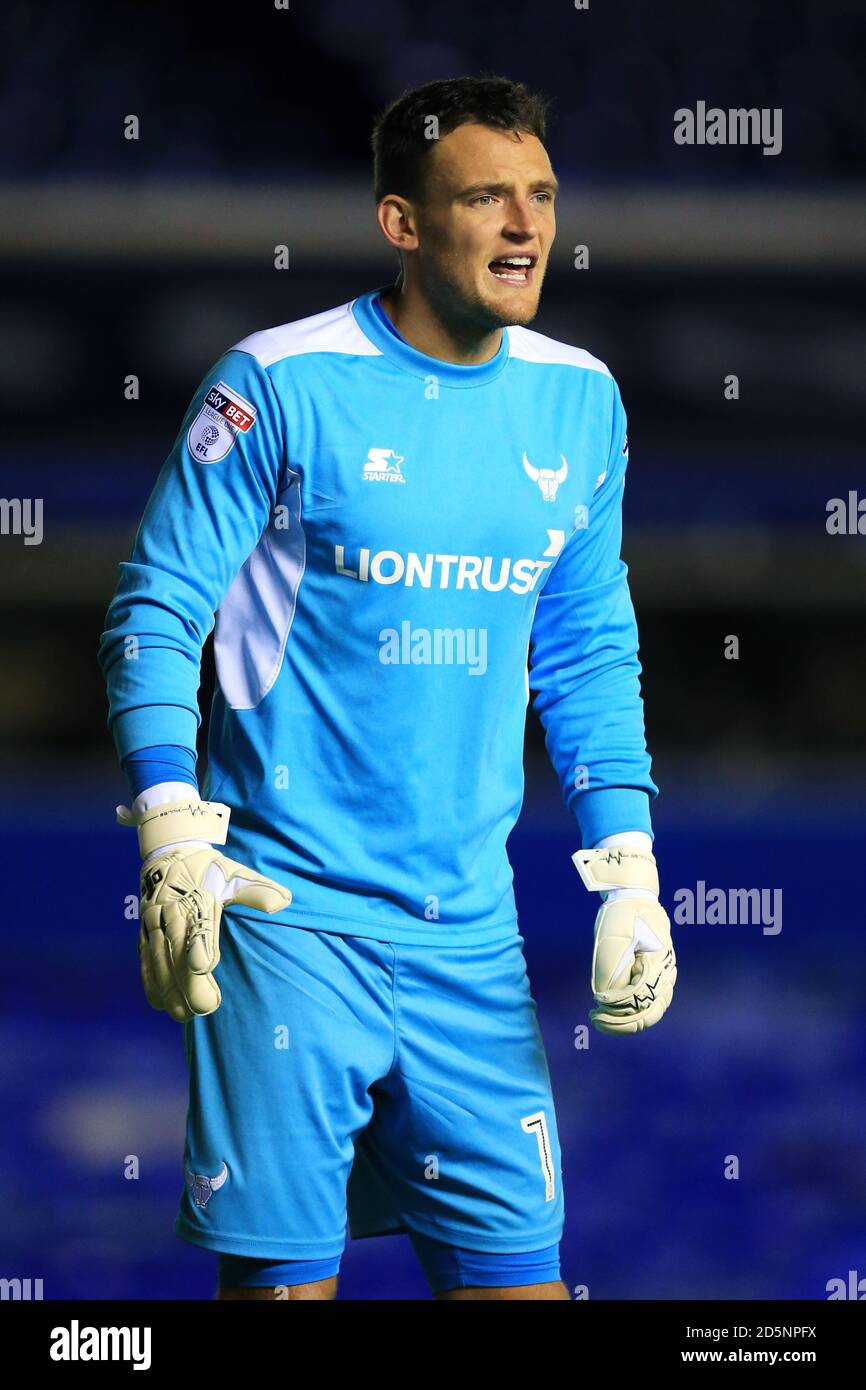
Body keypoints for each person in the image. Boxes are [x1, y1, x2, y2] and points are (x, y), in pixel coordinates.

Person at [98, 74, 675, 1302]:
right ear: (402, 223)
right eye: (483, 198)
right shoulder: (274, 386)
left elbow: (583, 647)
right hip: (282, 922)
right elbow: (157, 608)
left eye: (540, 196)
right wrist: (166, 830)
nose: (524, 226)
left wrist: (626, 872)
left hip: (471, 944)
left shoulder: (579, 400)